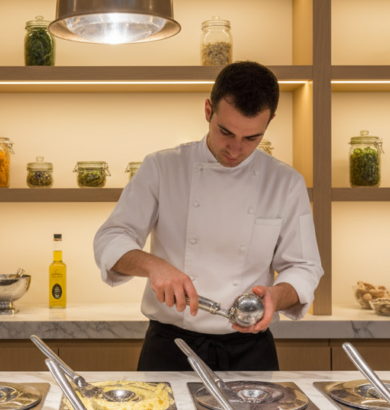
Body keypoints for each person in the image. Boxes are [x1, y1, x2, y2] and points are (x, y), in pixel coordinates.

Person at [92, 61, 323, 372]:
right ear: (207, 110)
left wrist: (276, 296)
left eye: (251, 138)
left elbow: (304, 267)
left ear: (269, 123)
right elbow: (110, 238)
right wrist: (153, 265)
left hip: (250, 350)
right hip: (170, 349)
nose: (235, 149)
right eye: (225, 132)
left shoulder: (285, 182)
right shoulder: (162, 168)